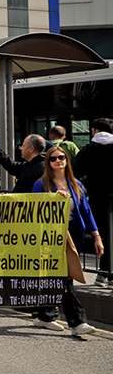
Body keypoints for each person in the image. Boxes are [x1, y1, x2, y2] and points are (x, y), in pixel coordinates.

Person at [30, 146, 104, 336]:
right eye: (53, 158)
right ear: (48, 163)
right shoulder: (41, 184)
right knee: (65, 276)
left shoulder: (76, 184)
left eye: (61, 157)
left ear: (67, 160)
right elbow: (34, 211)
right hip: (51, 235)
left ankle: (45, 315)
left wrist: (96, 236)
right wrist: (53, 199)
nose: (58, 161)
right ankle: (77, 322)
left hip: (73, 234)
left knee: (58, 275)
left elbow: (86, 212)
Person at [74, 117, 113, 286]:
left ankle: (104, 272)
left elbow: (75, 171)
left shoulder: (88, 149)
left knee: (101, 233)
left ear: (96, 130)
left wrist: (86, 183)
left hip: (98, 196)